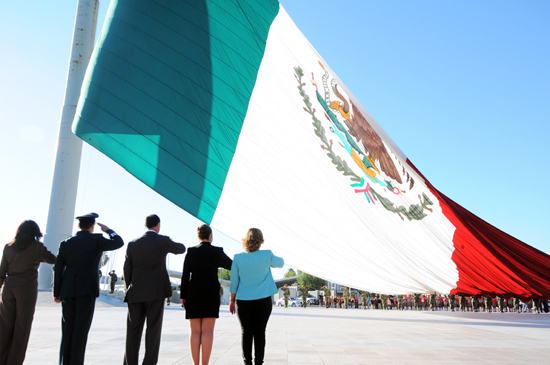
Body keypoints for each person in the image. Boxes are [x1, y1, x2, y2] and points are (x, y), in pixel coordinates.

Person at [53, 213, 123, 365]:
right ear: (92, 226)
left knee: (67, 330)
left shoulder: (65, 243)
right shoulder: (96, 240)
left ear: (79, 226)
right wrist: (108, 230)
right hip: (86, 290)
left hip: (68, 290)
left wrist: (57, 292)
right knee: (81, 330)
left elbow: (58, 269)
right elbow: (118, 242)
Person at [123, 214, 186, 365]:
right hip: (156, 293)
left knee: (132, 331)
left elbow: (126, 268)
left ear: (145, 225)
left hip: (135, 293)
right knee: (153, 331)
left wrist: (128, 288)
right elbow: (181, 249)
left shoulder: (132, 244)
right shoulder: (163, 241)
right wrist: (167, 242)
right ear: (158, 225)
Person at [0, 220, 56, 365]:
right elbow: (52, 259)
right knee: (22, 328)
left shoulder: (8, 247)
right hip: (26, 289)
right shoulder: (36, 247)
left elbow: (2, 272)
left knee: (4, 327)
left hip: (8, 289)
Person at [229, 228, 284, 365]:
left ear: (246, 240)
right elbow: (281, 263)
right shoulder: (267, 255)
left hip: (243, 302)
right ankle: (259, 362)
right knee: (260, 332)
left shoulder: (238, 257)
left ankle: (247, 363)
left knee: (246, 333)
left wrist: (231, 301)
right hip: (263, 301)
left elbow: (234, 282)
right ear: (260, 240)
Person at [181, 224, 232, 365]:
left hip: (193, 292)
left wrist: (183, 296)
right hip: (211, 292)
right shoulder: (217, 251)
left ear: (199, 236)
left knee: (195, 331)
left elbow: (185, 276)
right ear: (210, 236)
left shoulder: (191, 252)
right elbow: (232, 265)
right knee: (208, 331)